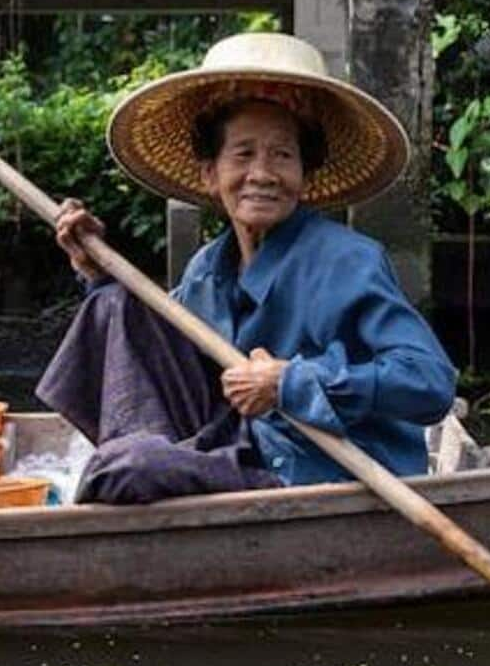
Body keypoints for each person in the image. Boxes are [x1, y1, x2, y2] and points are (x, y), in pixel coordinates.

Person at [35, 32, 457, 504]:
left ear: (305, 174)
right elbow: (154, 350)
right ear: (210, 174)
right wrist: (93, 267)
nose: (262, 174)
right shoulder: (208, 268)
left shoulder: (347, 260)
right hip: (235, 443)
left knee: (125, 471)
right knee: (114, 302)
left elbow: (430, 382)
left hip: (313, 468)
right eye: (243, 154)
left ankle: (146, 467)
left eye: (282, 155)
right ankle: (151, 459)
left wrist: (287, 382)